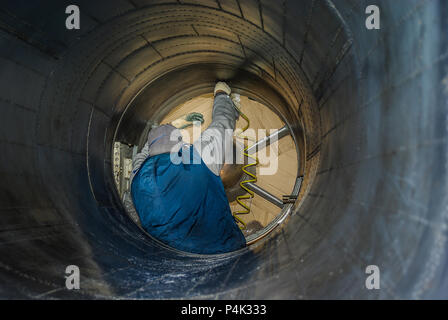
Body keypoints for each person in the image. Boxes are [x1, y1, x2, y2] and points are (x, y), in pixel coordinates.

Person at [129, 82, 246, 254]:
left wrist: (175, 124)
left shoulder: (136, 180)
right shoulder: (198, 158)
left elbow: (143, 153)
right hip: (222, 247)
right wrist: (221, 93)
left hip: (174, 256)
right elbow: (223, 122)